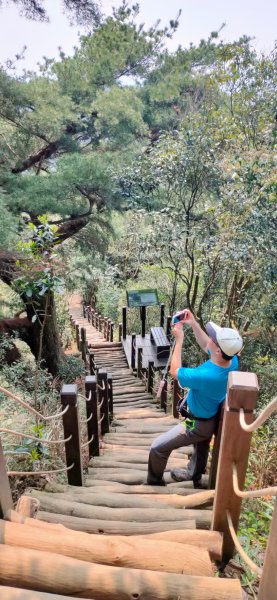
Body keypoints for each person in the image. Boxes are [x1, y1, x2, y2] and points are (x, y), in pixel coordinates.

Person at [147, 310, 243, 487]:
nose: (210, 339)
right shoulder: (231, 360)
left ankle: (154, 482)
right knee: (201, 445)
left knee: (158, 448)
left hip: (197, 424)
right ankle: (194, 475)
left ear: (218, 350)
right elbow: (206, 344)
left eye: (214, 339)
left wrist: (179, 340)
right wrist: (193, 323)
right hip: (208, 416)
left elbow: (174, 371)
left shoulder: (207, 375)